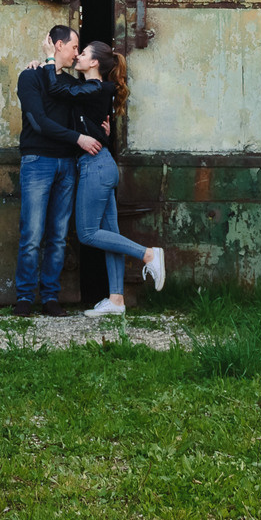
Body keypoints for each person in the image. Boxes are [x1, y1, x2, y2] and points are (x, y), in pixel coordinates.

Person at [63, 41, 165, 317]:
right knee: (110, 235)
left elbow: (63, 91)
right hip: (101, 164)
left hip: (95, 166)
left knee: (87, 233)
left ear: (95, 62)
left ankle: (149, 254)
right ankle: (117, 299)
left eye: (82, 53)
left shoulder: (97, 87)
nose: (78, 55)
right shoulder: (93, 90)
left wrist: (50, 62)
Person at [14, 24, 104, 317]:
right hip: (37, 162)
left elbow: (82, 117)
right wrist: (78, 138)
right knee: (32, 233)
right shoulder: (30, 77)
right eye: (74, 47)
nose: (77, 53)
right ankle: (25, 298)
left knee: (58, 235)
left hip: (67, 164)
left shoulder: (71, 84)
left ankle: (50, 297)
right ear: (56, 45)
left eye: (79, 49)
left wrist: (99, 128)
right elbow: (38, 122)